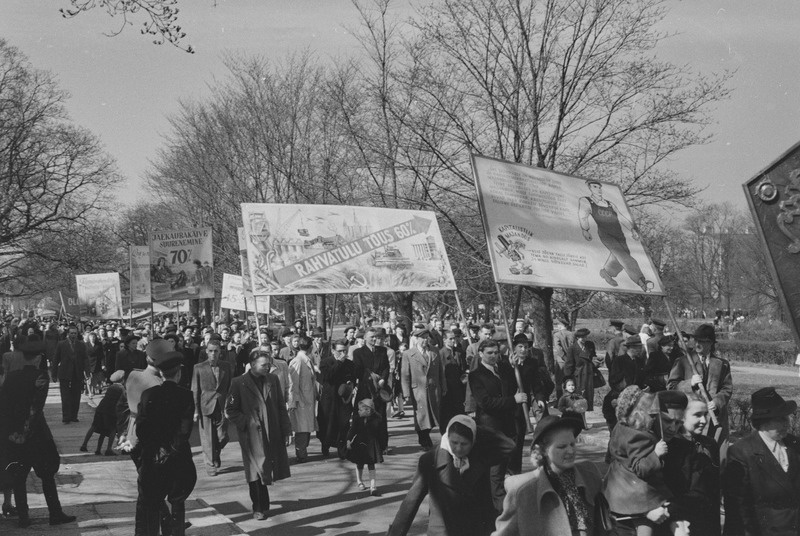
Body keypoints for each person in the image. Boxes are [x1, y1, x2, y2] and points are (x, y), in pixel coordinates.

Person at [388, 415, 513, 536]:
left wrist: (475, 427)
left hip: (475, 529)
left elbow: (509, 446)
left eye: (464, 444)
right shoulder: (430, 460)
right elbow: (411, 502)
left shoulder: (480, 456)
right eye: (454, 442)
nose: (458, 448)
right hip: (442, 531)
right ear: (447, 438)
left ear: (474, 441)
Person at [0, 340, 76, 528]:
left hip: (14, 435)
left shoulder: (11, 377)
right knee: (48, 475)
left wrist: (13, 433)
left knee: (19, 477)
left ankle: (24, 517)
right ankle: (55, 513)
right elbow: (35, 408)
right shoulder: (40, 376)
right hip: (36, 435)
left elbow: (5, 408)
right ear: (39, 358)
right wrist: (25, 432)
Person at [493, 414, 602, 536]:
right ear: (543, 451)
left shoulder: (589, 475)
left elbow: (604, 524)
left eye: (572, 444)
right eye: (562, 447)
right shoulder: (523, 491)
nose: (570, 451)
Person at [225, 351, 292, 521]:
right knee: (254, 471)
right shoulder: (238, 383)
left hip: (272, 432)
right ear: (252, 365)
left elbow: (280, 406)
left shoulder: (273, 380)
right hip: (251, 435)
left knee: (267, 467)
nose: (268, 367)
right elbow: (230, 410)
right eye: (264, 365)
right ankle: (258, 507)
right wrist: (247, 422)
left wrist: (286, 430)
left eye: (269, 364)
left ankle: (264, 502)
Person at [723, 387, 800, 536]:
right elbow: (738, 507)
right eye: (780, 419)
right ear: (763, 423)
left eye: (787, 418)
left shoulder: (795, 445)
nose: (787, 424)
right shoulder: (742, 451)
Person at [135, 350, 196, 536]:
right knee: (177, 502)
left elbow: (141, 430)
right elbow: (184, 431)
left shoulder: (147, 395)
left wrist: (156, 449)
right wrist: (171, 450)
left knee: (152, 505)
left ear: (161, 373)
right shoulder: (186, 395)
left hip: (153, 459)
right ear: (178, 373)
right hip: (178, 459)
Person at [603, 386, 672, 536]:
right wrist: (656, 454)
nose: (654, 419)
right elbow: (641, 468)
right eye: (651, 416)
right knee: (646, 521)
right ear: (639, 415)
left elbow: (609, 455)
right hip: (637, 492)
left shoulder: (619, 427)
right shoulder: (639, 437)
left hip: (617, 486)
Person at [469, 339, 528, 512]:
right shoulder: (476, 375)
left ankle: (498, 505)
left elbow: (517, 383)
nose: (494, 356)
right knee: (495, 472)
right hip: (490, 429)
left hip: (507, 426)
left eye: (496, 352)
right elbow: (486, 403)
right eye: (490, 353)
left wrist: (516, 367)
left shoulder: (503, 369)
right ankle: (499, 511)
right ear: (480, 354)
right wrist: (513, 400)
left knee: (504, 468)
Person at [578, 179, 652, 292]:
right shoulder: (586, 201)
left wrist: (632, 229)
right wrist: (585, 229)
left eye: (599, 187)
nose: (598, 189)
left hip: (619, 234)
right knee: (625, 258)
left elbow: (621, 217)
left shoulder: (609, 204)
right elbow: (583, 215)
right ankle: (641, 280)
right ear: (589, 188)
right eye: (594, 187)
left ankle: (606, 272)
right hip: (606, 234)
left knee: (620, 256)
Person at [662, 392, 720, 536]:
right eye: (697, 415)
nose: (704, 420)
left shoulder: (709, 444)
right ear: (683, 416)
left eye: (705, 414)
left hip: (707, 520)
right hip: (680, 522)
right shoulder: (669, 446)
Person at [668, 324, 731, 448]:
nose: (697, 344)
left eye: (703, 341)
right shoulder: (683, 361)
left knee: (714, 454)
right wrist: (689, 383)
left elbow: (727, 388)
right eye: (696, 340)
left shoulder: (722, 364)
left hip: (715, 421)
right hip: (691, 419)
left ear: (711, 343)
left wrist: (717, 402)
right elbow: (671, 387)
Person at [191, 338, 232, 476]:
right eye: (210, 351)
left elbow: (231, 388)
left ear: (220, 352)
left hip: (222, 405)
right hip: (205, 406)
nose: (213, 354)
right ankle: (210, 465)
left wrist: (231, 406)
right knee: (207, 438)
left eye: (216, 351)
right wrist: (196, 410)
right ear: (206, 352)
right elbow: (195, 390)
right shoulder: (198, 367)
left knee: (222, 436)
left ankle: (216, 452)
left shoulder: (226, 366)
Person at [402, 328, 445, 450]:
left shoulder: (435, 351)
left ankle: (424, 436)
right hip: (418, 390)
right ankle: (424, 439)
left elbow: (441, 372)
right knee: (421, 415)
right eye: (423, 338)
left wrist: (444, 386)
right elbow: (405, 375)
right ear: (416, 339)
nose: (426, 340)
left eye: (427, 338)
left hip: (434, 389)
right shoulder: (408, 354)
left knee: (433, 415)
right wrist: (406, 393)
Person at [353, 327, 391, 453]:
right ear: (365, 338)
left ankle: (382, 445)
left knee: (380, 417)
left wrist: (383, 380)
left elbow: (386, 367)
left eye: (375, 337)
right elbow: (358, 371)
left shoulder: (382, 351)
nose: (374, 339)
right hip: (365, 390)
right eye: (371, 337)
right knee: (365, 417)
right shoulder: (358, 352)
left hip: (379, 389)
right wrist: (370, 378)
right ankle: (365, 445)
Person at [317, 339, 355, 458]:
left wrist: (351, 384)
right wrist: (338, 362)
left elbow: (353, 377)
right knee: (327, 424)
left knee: (344, 424)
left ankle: (342, 450)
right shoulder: (325, 362)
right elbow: (327, 377)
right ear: (333, 350)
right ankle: (325, 445)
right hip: (329, 399)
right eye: (340, 351)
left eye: (345, 350)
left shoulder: (350, 363)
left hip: (343, 399)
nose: (343, 353)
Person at [287, 335, 319, 462]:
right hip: (300, 401)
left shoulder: (306, 360)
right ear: (311, 347)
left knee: (306, 428)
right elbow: (292, 384)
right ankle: (301, 452)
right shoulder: (298, 361)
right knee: (301, 428)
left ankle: (303, 450)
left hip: (307, 400)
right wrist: (293, 402)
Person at [80, 369, 125, 456]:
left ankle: (85, 444)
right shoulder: (122, 389)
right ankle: (108, 449)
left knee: (95, 427)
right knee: (112, 429)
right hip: (111, 412)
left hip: (100, 409)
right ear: (123, 379)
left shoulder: (111, 387)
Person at [50, 324, 88, 424]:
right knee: (65, 396)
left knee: (76, 396)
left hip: (77, 373)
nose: (73, 335)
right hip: (64, 373)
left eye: (75, 333)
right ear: (68, 334)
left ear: (77, 334)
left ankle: (74, 416)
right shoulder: (61, 344)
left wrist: (87, 372)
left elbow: (85, 359)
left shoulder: (81, 344)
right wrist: (53, 374)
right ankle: (66, 417)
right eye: (71, 333)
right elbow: (56, 359)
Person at [346, 398, 383, 496]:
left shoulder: (377, 419)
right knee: (359, 463)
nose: (359, 411)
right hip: (359, 444)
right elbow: (352, 430)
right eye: (359, 409)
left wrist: (382, 446)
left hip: (372, 444)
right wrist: (349, 440)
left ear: (369, 410)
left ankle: (373, 485)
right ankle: (359, 481)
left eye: (361, 409)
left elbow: (381, 434)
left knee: (371, 464)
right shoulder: (357, 419)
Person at [563, 328, 599, 411]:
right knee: (578, 400)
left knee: (587, 399)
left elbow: (593, 357)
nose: (585, 339)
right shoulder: (572, 348)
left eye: (586, 336)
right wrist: (568, 379)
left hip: (589, 376)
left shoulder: (590, 345)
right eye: (582, 337)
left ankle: (583, 419)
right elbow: (569, 364)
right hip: (578, 377)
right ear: (577, 338)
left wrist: (597, 361)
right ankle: (580, 420)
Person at [439, 330, 468, 430]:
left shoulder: (459, 352)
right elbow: (441, 373)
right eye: (450, 339)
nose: (453, 340)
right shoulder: (441, 354)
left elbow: (464, 368)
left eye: (454, 338)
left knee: (459, 413)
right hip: (447, 389)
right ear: (444, 340)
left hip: (459, 387)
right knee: (447, 414)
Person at [552, 321, 574, 401]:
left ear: (562, 325)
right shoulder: (572, 334)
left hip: (561, 361)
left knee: (559, 382)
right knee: (570, 381)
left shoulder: (557, 335)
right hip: (571, 361)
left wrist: (564, 357)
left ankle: (560, 401)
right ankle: (570, 400)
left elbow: (558, 348)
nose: (557, 326)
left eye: (558, 325)